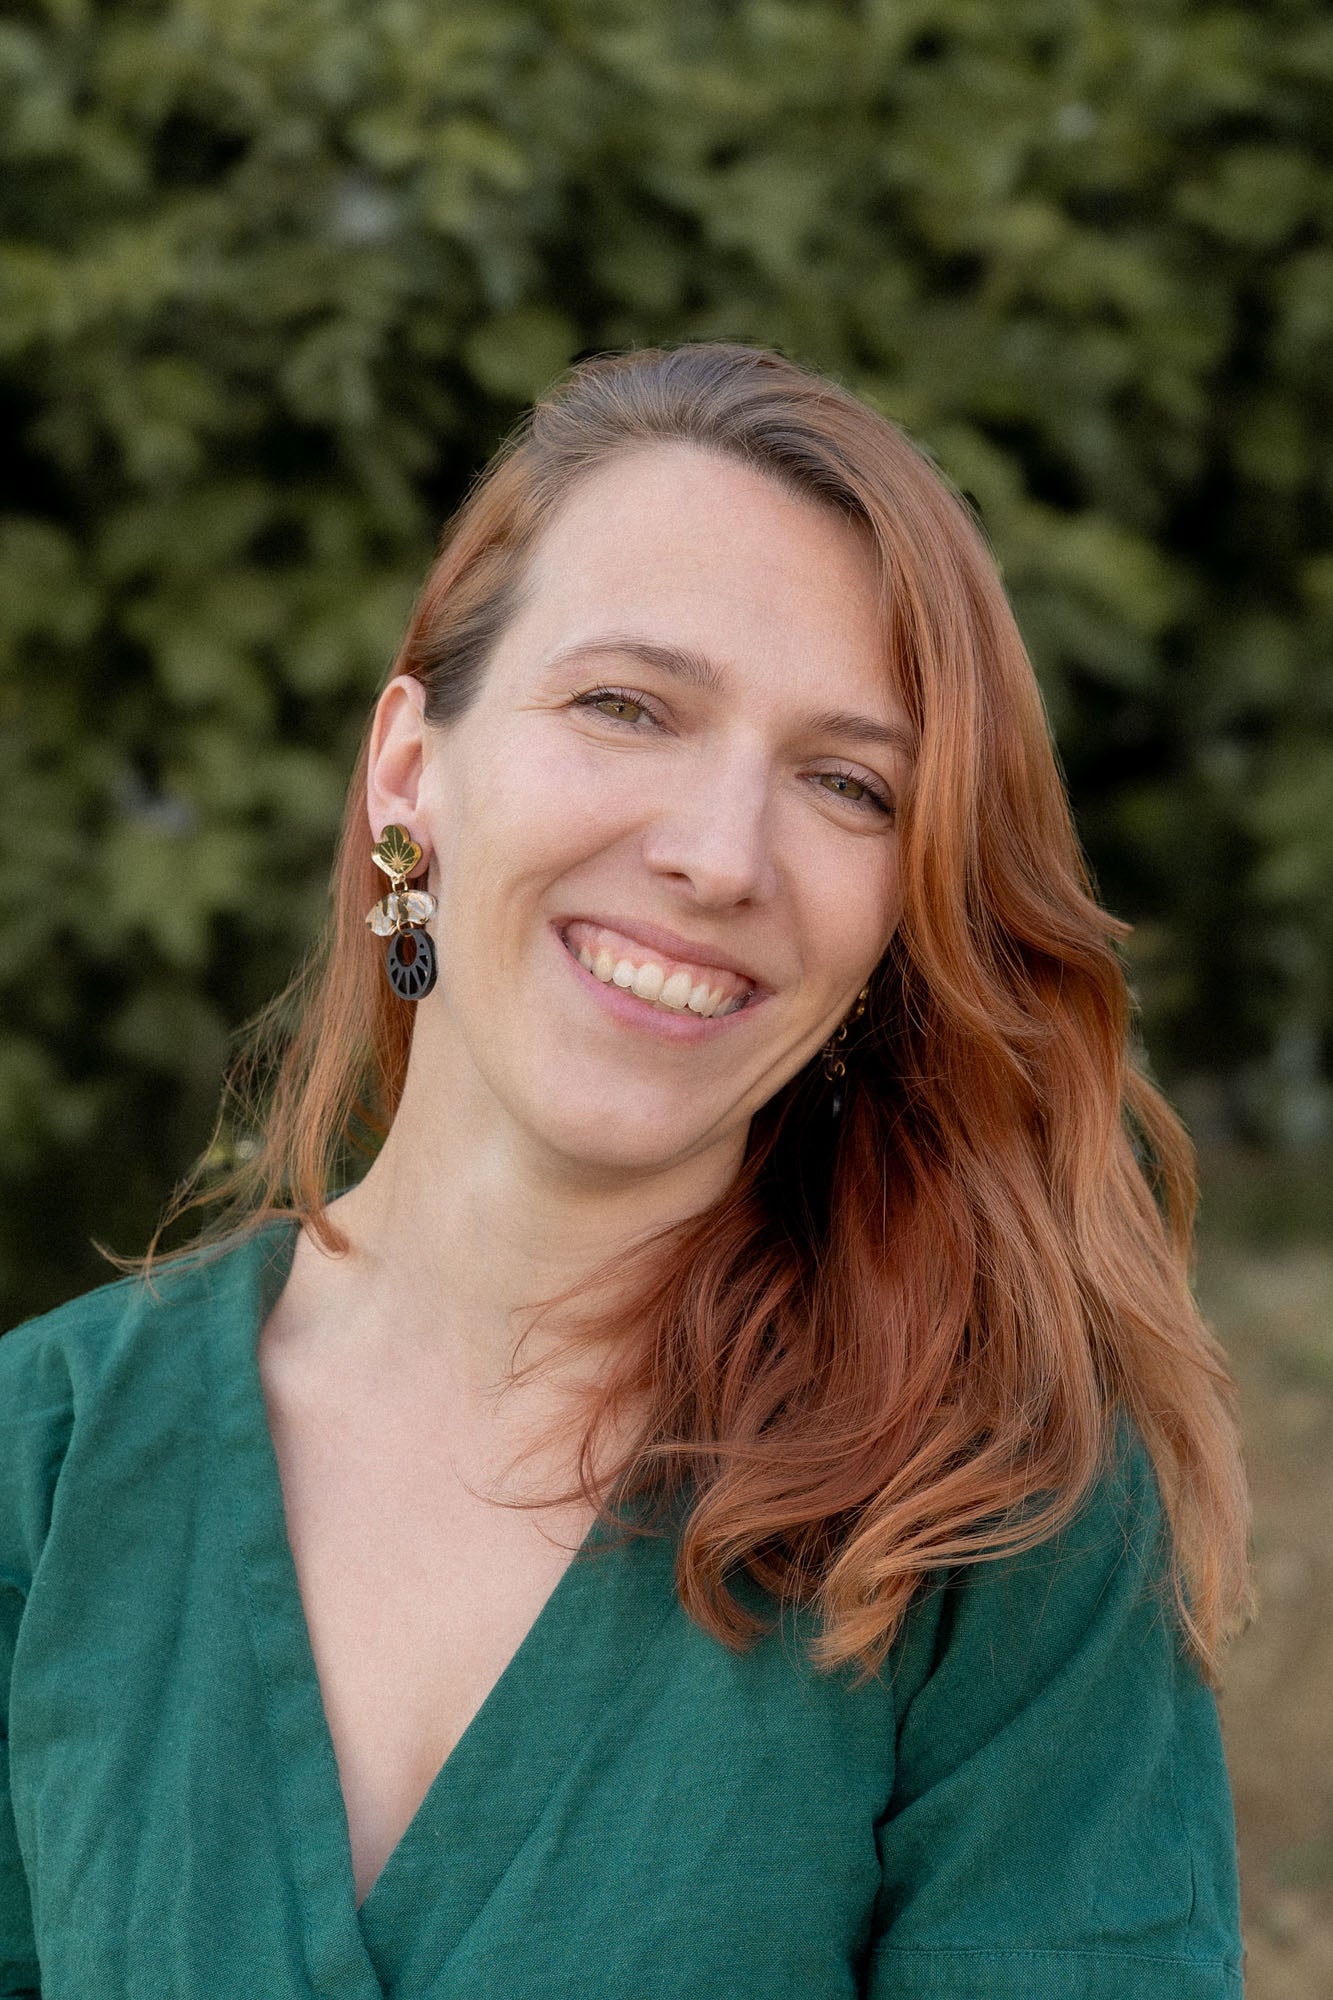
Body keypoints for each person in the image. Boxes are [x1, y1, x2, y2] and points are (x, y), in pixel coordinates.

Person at [0, 342, 1250, 1998]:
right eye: (624, 706)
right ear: (407, 773)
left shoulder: (994, 1515)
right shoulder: (44, 1469)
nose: (718, 854)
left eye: (845, 783)